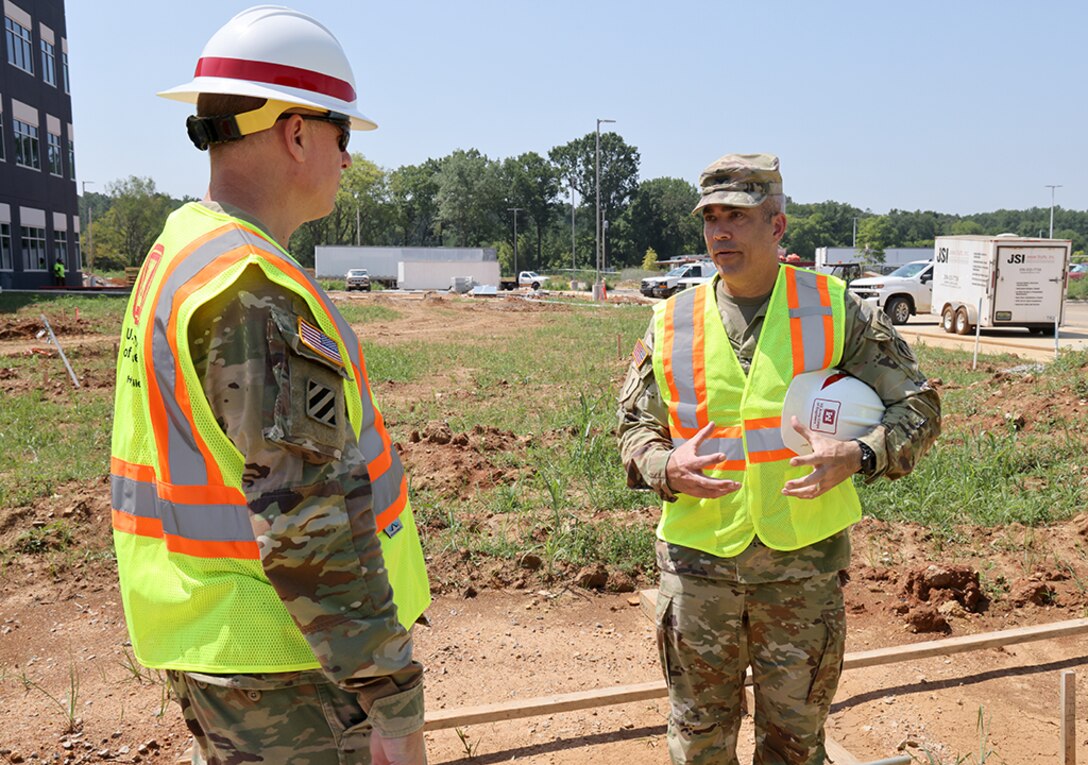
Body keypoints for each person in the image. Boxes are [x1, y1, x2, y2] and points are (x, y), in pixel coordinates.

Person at [110, 7, 430, 764]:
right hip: (289, 667)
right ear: (295, 132)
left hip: (219, 642)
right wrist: (392, 697)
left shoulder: (181, 251)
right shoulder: (249, 288)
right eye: (342, 134)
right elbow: (308, 520)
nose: (347, 159)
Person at [617, 153, 940, 765]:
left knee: (794, 745)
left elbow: (919, 407)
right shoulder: (671, 319)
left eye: (736, 216)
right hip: (696, 570)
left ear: (777, 225)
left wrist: (859, 454)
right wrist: (662, 465)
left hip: (800, 574)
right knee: (699, 745)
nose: (720, 232)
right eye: (710, 217)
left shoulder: (836, 309)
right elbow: (631, 425)